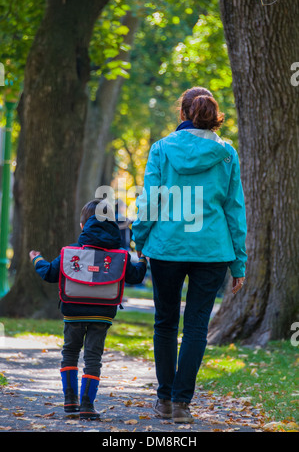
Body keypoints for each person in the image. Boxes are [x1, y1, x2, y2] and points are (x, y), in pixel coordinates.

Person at [132, 87, 247, 423]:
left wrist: (140, 239)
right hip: (212, 251)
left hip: (167, 248)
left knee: (165, 323)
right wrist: (238, 262)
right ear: (214, 116)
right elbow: (234, 210)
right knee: (196, 326)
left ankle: (165, 400)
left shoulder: (161, 149)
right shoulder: (227, 154)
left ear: (182, 114)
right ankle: (182, 404)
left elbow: (150, 200)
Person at [29, 198, 147, 420]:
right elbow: (136, 276)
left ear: (83, 226)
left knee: (70, 352)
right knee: (93, 356)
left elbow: (49, 273)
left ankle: (70, 400)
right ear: (112, 223)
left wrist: (37, 259)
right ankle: (87, 406)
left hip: (73, 311)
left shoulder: (69, 252)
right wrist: (142, 260)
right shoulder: (119, 255)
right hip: (102, 313)